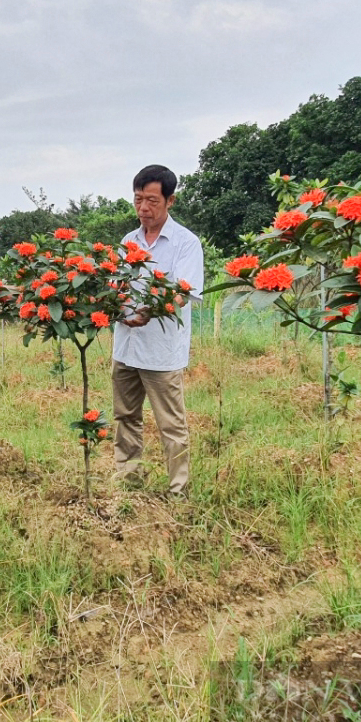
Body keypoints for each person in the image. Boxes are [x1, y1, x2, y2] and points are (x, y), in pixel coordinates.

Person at [111, 164, 204, 498]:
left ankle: (178, 492)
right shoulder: (127, 242)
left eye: (151, 200)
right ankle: (129, 483)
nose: (143, 208)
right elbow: (115, 287)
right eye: (138, 200)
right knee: (125, 417)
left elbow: (181, 292)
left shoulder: (185, 243)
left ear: (170, 201)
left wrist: (149, 310)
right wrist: (120, 311)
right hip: (126, 348)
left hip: (162, 352)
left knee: (171, 424)